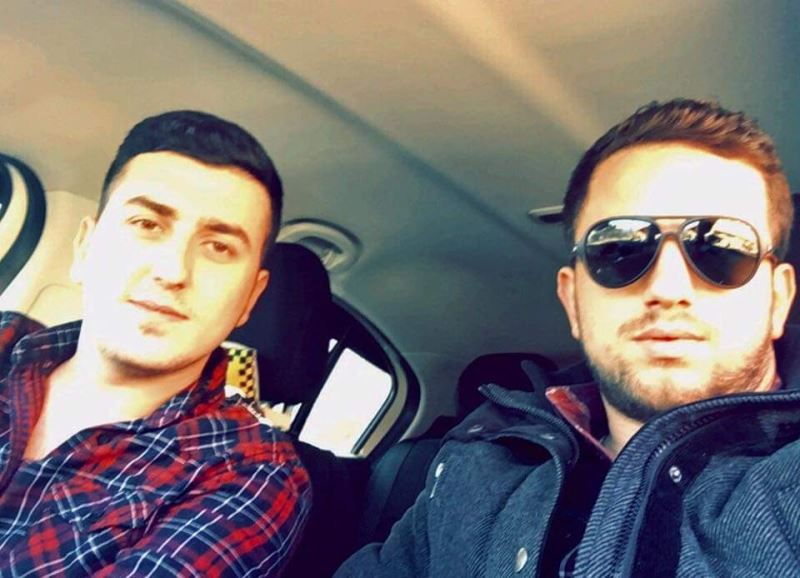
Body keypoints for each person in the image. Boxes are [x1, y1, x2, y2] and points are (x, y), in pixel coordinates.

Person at [336, 98, 800, 577]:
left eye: (722, 248)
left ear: (778, 298)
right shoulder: (471, 475)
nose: (667, 288)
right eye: (619, 247)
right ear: (573, 300)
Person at [0, 111, 311, 576]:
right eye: (147, 223)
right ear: (85, 248)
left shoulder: (250, 474)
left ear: (250, 298)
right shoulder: (6, 340)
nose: (173, 270)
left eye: (219, 247)